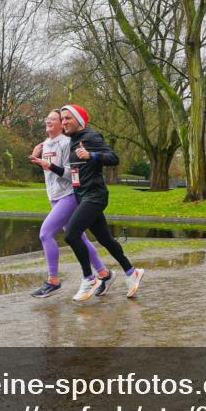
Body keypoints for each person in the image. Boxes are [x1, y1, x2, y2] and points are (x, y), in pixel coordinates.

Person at [57, 104, 144, 301]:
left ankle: (89, 278)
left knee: (71, 235)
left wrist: (92, 156)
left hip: (95, 196)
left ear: (79, 120)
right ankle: (132, 272)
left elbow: (114, 158)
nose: (64, 122)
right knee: (105, 239)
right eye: (62, 119)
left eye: (67, 118)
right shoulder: (72, 141)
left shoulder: (91, 137)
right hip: (83, 197)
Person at [28, 110, 114, 298]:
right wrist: (36, 160)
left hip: (69, 195)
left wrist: (47, 164)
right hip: (54, 196)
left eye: (54, 119)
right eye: (47, 118)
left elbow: (71, 174)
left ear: (62, 124)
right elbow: (49, 170)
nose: (48, 121)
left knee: (46, 233)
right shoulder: (45, 144)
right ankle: (104, 274)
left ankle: (53, 280)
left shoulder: (67, 143)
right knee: (79, 238)